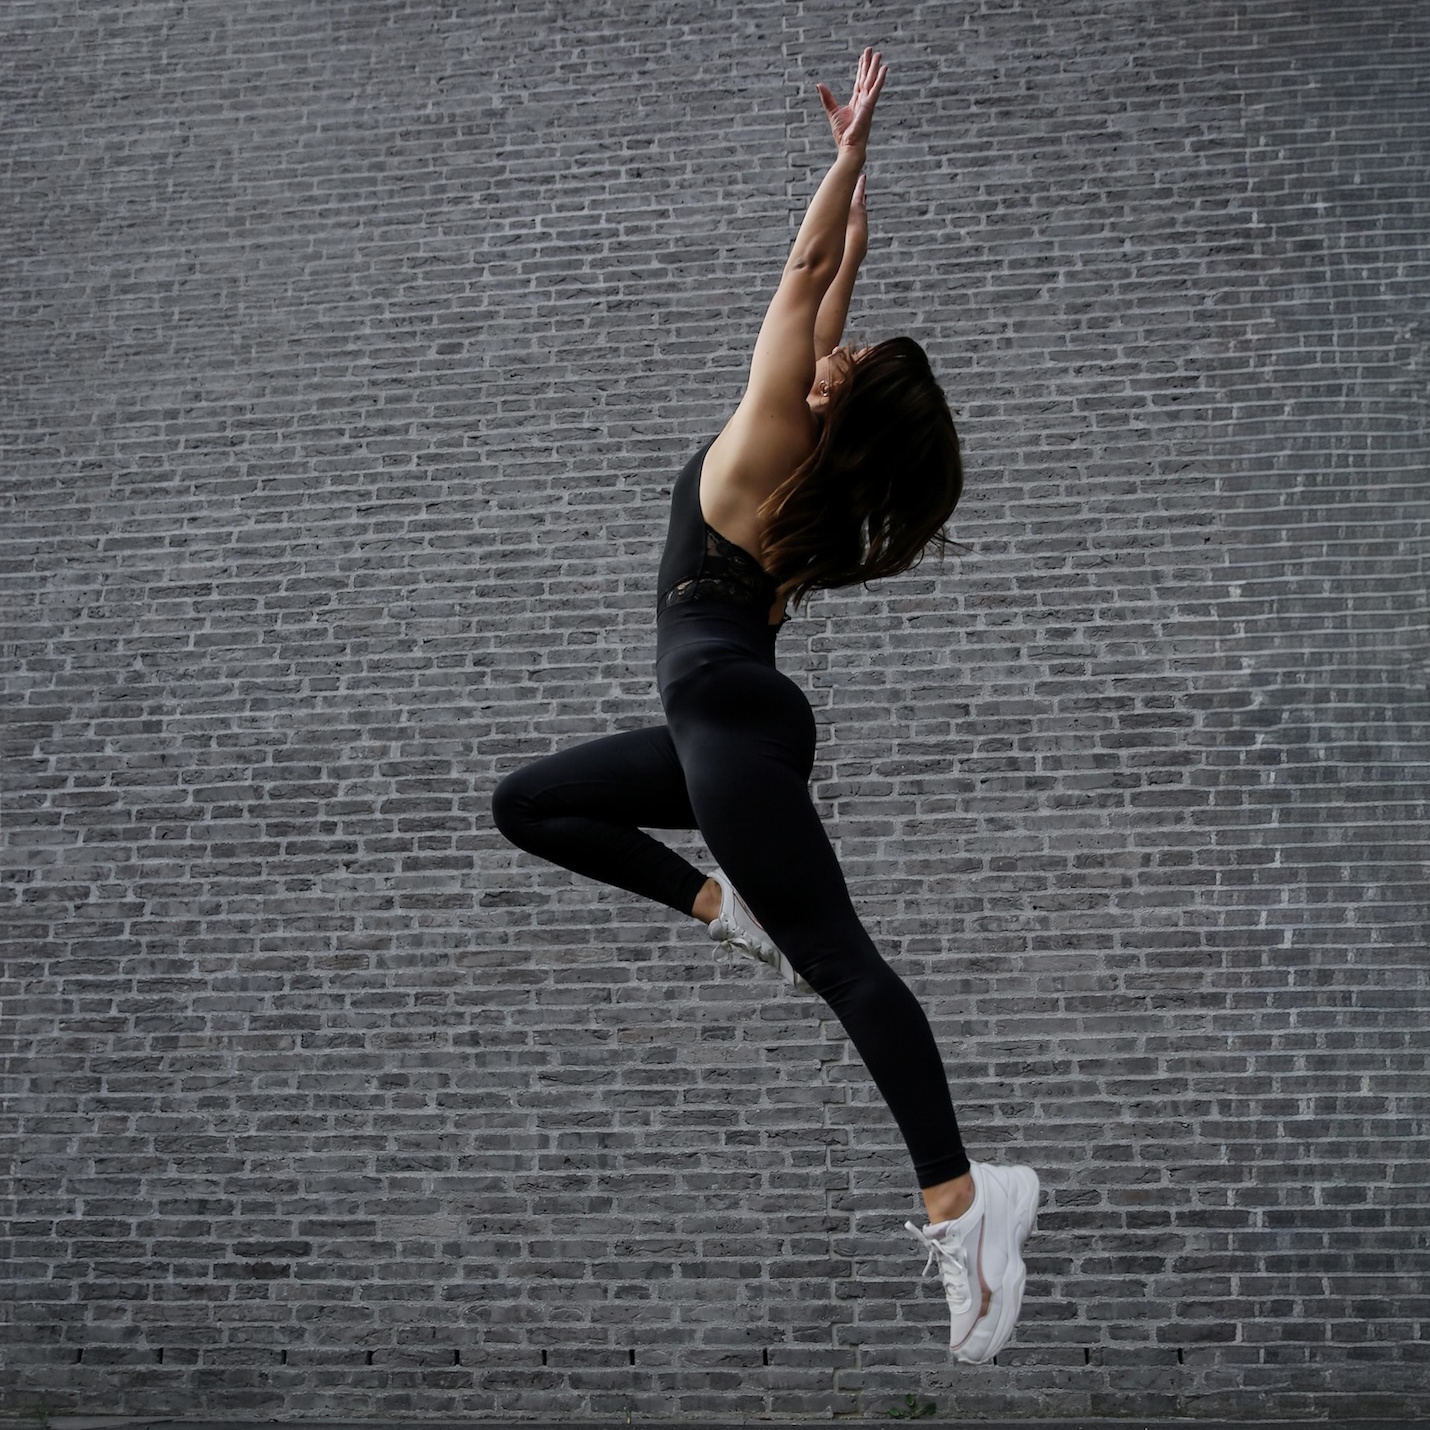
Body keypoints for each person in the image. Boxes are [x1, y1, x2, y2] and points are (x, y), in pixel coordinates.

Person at [492, 48, 1039, 1363]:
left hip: (729, 721)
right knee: (529, 803)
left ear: (833, 401)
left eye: (847, 358)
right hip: (721, 723)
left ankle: (967, 1202)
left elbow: (797, 288)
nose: (832, 341)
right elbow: (826, 292)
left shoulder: (766, 440)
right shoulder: (810, 482)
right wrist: (861, 213)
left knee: (842, 960)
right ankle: (719, 904)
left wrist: (842, 159)